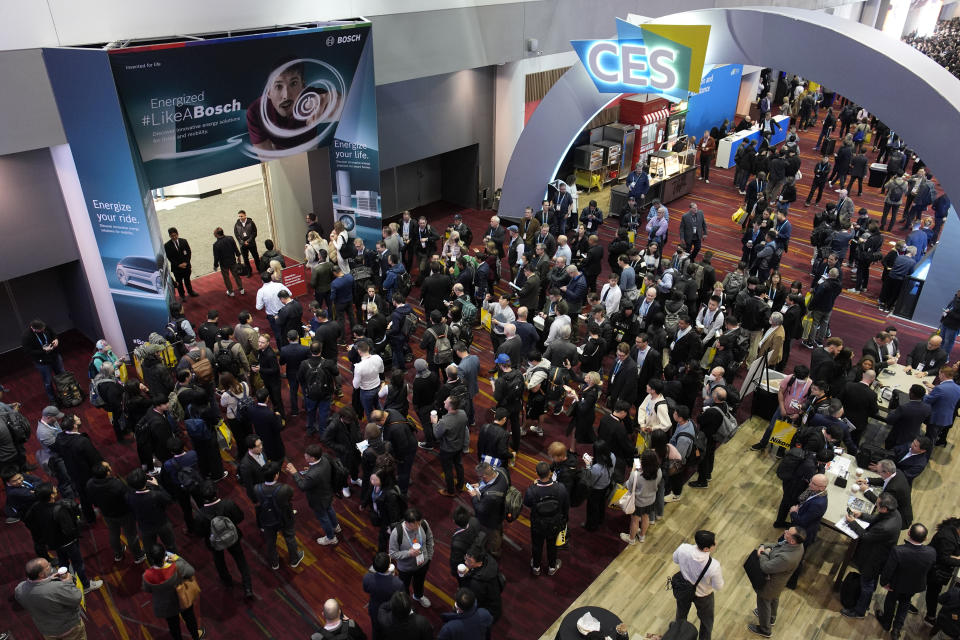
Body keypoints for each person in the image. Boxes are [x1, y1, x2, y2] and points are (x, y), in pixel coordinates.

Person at [23, 482, 103, 593]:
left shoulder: (36, 507)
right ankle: (85, 585)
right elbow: (69, 529)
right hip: (68, 542)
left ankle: (65, 583)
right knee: (78, 563)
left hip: (54, 542)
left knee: (63, 562)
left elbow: (28, 522)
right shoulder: (59, 509)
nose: (55, 488)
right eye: (53, 489)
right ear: (51, 495)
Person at [841, 492, 904, 619]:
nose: (876, 506)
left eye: (877, 505)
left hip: (874, 559)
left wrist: (853, 523)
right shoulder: (894, 513)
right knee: (870, 582)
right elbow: (878, 518)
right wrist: (861, 515)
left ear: (885, 508)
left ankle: (860, 610)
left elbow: (865, 536)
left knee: (867, 584)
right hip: (878, 554)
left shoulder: (886, 527)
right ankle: (864, 602)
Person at [875, 523, 937, 639]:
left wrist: (884, 583)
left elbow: (888, 570)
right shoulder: (931, 552)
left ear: (908, 533)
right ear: (925, 538)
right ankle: (897, 629)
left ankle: (886, 622)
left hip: (896, 584)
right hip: (914, 585)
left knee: (890, 601)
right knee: (905, 603)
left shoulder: (898, 551)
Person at [196, 482, 253, 598]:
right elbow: (240, 517)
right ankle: (248, 588)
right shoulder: (228, 504)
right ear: (216, 492)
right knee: (240, 560)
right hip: (233, 537)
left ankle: (227, 582)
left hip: (214, 543)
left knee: (219, 562)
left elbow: (200, 533)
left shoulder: (200, 514)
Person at [749, 526, 805, 637]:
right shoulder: (798, 545)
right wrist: (764, 546)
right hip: (779, 583)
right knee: (774, 598)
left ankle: (765, 629)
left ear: (793, 540)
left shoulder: (787, 558)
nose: (785, 532)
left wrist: (763, 553)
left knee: (764, 601)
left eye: (788, 532)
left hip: (771, 583)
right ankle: (771, 618)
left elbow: (765, 567)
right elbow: (777, 546)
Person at [15, 556, 87, 640]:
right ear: (41, 574)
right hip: (69, 629)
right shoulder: (57, 588)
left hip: (48, 631)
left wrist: (49, 579)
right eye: (47, 566)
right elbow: (77, 597)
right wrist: (68, 582)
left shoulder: (19, 589)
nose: (50, 564)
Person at [141, 545, 204, 640]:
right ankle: (196, 636)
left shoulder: (147, 575)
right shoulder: (176, 566)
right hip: (181, 598)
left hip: (166, 605)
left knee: (173, 626)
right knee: (189, 618)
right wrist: (177, 558)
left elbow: (147, 589)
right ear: (164, 555)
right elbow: (191, 571)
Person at [672, 530, 724, 640]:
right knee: (706, 622)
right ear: (706, 549)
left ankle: (677, 636)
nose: (716, 543)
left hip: (684, 588)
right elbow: (718, 586)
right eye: (714, 543)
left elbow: (675, 559)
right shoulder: (714, 566)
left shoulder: (683, 548)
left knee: (681, 615)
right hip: (704, 596)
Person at [286, 444, 341, 546]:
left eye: (306, 456)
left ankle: (331, 538)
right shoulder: (324, 458)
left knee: (323, 517)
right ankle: (336, 526)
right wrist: (310, 470)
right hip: (328, 492)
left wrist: (294, 473)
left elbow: (302, 486)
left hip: (318, 499)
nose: (304, 457)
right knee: (329, 509)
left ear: (313, 458)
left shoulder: (313, 475)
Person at [254, 461, 303, 570]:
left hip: (267, 520)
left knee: (270, 541)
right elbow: (290, 498)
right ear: (276, 475)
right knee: (289, 538)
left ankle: (274, 563)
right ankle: (294, 560)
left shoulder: (257, 488)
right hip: (284, 518)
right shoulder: (285, 488)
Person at [524, 460, 568, 576]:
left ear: (537, 473)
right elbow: (565, 505)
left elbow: (527, 503)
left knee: (537, 545)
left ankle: (536, 567)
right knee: (552, 545)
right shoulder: (561, 488)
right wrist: (564, 521)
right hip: (554, 523)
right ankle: (552, 567)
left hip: (537, 524)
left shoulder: (531, 490)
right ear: (550, 473)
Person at [389, 508, 435, 608]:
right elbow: (393, 554)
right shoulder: (397, 533)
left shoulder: (423, 524)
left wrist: (429, 557)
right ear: (407, 523)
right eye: (416, 524)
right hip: (405, 569)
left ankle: (418, 596)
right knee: (404, 588)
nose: (419, 526)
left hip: (423, 564)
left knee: (419, 583)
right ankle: (407, 605)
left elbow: (430, 539)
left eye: (419, 522)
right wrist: (409, 553)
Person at [620, 450, 661, 545]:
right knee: (646, 517)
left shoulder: (636, 475)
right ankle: (642, 536)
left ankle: (631, 539)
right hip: (651, 500)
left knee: (635, 520)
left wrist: (633, 470)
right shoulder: (659, 471)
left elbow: (629, 486)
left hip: (638, 502)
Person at [925, 517, 960, 626]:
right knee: (933, 593)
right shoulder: (948, 538)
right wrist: (957, 559)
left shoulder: (952, 531)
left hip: (935, 567)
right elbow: (944, 559)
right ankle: (930, 617)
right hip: (934, 570)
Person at [363, 552, 404, 640]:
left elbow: (366, 590)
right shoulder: (398, 583)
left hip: (375, 608)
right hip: (390, 610)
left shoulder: (367, 578)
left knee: (376, 628)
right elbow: (400, 598)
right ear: (389, 567)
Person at [21, 319, 64, 403]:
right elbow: (28, 352)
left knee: (62, 375)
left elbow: (53, 334)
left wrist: (56, 339)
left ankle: (64, 393)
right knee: (48, 381)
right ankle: (53, 400)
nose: (43, 330)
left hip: (54, 356)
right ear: (34, 329)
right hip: (42, 362)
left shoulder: (44, 327)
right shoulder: (26, 337)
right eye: (41, 330)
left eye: (43, 329)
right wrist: (44, 350)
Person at [434, 396, 468, 497]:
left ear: (450, 407)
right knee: (459, 465)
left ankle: (450, 491)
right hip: (459, 446)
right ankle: (460, 485)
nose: (444, 401)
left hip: (447, 449)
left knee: (448, 470)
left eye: (446, 402)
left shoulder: (445, 421)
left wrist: (434, 423)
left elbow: (436, 434)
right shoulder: (463, 414)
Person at [583, 440, 615, 531]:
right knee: (601, 503)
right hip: (606, 484)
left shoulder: (597, 468)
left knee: (592, 508)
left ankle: (592, 526)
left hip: (596, 489)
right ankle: (601, 519)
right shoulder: (612, 456)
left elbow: (590, 480)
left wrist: (588, 465)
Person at [925, 366, 960, 445]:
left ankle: (925, 455)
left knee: (929, 440)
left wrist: (924, 394)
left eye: (939, 374)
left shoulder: (940, 388)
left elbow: (927, 401)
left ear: (942, 374)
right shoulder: (958, 388)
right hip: (946, 418)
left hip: (936, 418)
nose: (939, 376)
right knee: (933, 437)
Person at [164, 227, 198, 299]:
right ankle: (182, 295)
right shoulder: (167, 245)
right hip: (177, 268)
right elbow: (169, 257)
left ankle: (190, 291)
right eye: (172, 236)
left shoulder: (184, 241)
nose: (174, 237)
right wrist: (178, 265)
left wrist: (186, 262)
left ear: (177, 234)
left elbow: (189, 252)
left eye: (175, 235)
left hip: (186, 266)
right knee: (179, 282)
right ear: (169, 236)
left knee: (187, 280)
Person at [212, 226, 244, 296]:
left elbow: (216, 257)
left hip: (224, 264)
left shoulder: (216, 245)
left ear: (217, 234)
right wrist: (238, 256)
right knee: (236, 275)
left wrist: (215, 265)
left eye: (214, 233)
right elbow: (235, 248)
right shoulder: (230, 238)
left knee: (226, 278)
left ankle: (231, 291)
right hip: (233, 261)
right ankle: (241, 289)